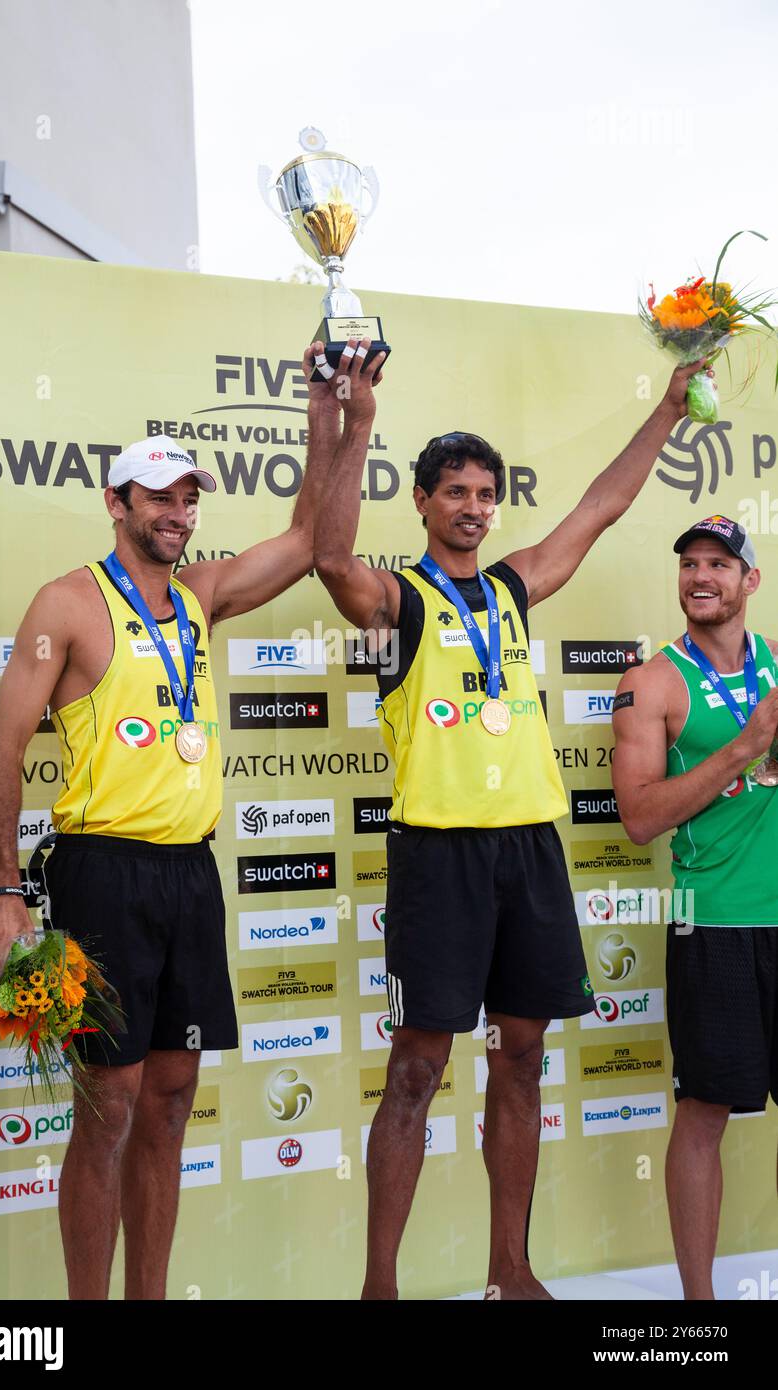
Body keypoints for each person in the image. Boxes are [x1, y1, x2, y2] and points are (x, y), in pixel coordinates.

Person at [313, 341, 708, 1300]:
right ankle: (380, 1286)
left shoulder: (513, 589)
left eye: (485, 492)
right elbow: (328, 555)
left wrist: (666, 407)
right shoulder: (394, 603)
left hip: (529, 849)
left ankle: (510, 1270)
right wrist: (354, 423)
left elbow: (601, 508)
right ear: (423, 502)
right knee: (416, 1071)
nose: (473, 506)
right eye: (454, 490)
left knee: (523, 1058)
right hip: (438, 855)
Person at [0, 342, 363, 1300]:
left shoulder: (202, 595)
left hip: (191, 873)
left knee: (173, 1097)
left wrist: (331, 411)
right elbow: (3, 751)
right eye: (157, 497)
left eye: (188, 499)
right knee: (107, 1103)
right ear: (117, 503)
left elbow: (313, 538)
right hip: (102, 868)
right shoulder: (66, 603)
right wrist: (2, 892)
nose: (175, 514)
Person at [612, 515, 778, 1301]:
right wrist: (743, 749)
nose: (700, 576)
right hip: (709, 921)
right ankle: (699, 1307)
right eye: (688, 564)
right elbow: (639, 816)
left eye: (719, 563)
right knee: (705, 1111)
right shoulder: (653, 682)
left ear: (751, 581)